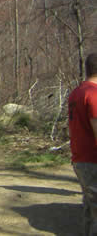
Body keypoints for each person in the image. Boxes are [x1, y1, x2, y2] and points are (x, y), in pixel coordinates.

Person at [70, 52, 97, 236]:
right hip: (92, 161)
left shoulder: (76, 92)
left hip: (79, 159)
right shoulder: (93, 94)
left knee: (89, 207)